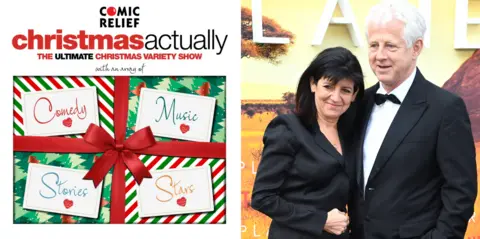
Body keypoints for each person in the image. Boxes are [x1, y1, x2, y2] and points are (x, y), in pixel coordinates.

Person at [348, 1, 477, 239]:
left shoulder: (445, 108)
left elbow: (461, 193)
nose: (379, 56)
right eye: (373, 45)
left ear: (416, 48)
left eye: (390, 46)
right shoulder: (359, 103)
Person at [250, 46, 365, 239]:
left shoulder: (353, 134)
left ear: (354, 95)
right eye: (328, 86)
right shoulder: (287, 129)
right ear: (313, 84)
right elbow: (263, 198)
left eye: (345, 90)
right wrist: (321, 220)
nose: (335, 97)